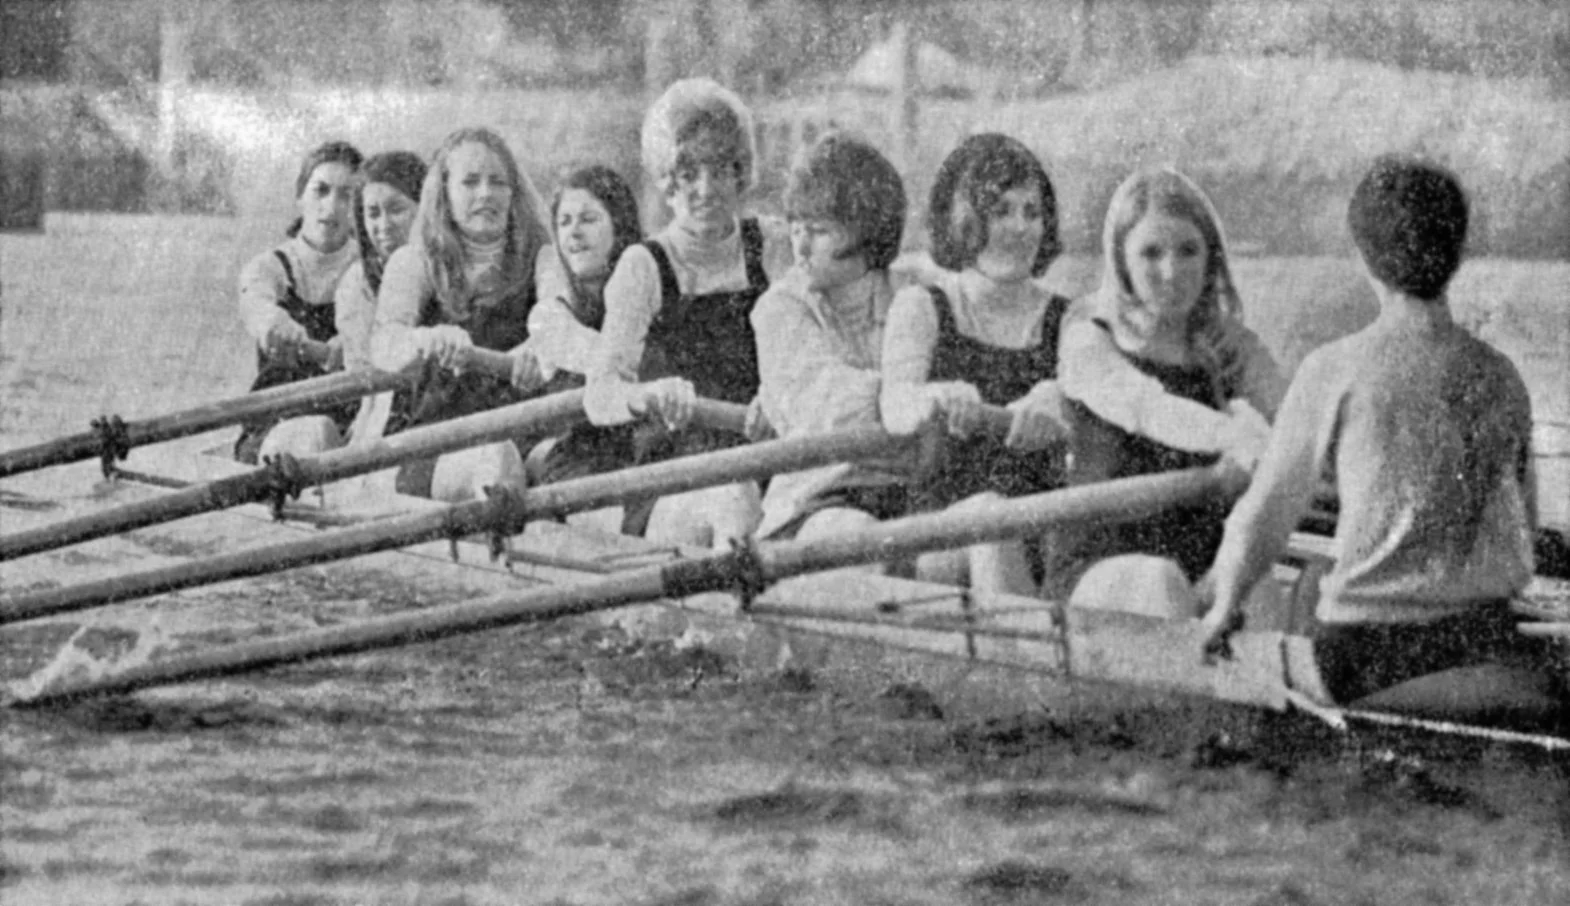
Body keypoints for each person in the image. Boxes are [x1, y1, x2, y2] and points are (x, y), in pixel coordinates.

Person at [1199, 155, 1555, 717]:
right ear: (1457, 254)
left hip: (1370, 657)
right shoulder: (1502, 375)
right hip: (1488, 640)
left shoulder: (1333, 368)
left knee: (1313, 588)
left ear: (1362, 256)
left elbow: (1263, 516)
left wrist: (1223, 609)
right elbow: (1525, 531)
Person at [1055, 167, 1284, 608]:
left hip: (1195, 569)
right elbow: (1150, 409)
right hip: (1099, 571)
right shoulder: (1088, 338)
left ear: (1210, 258)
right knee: (1159, 581)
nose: (1172, 271)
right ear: (1121, 260)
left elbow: (1290, 417)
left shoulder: (1222, 351)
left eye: (1188, 251)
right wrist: (1240, 437)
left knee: (1261, 586)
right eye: (1151, 253)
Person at [583, 78, 790, 547]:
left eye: (720, 170)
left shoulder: (773, 246)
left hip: (764, 458)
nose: (705, 188)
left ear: (741, 174)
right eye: (688, 172)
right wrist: (649, 394)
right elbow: (600, 396)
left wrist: (782, 394)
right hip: (672, 476)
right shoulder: (644, 266)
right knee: (736, 499)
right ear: (666, 179)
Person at [879, 133, 1071, 598]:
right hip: (938, 538)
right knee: (989, 514)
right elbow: (895, 403)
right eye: (1001, 211)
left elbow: (1099, 396)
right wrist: (935, 396)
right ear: (964, 220)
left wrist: (1060, 398)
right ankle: (1027, 662)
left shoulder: (1072, 319)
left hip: (1042, 533)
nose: (1021, 228)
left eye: (1032, 212)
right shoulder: (922, 306)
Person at [370, 127, 552, 501]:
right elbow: (385, 343)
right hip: (429, 440)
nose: (486, 193)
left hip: (520, 432)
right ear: (445, 193)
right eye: (470, 182)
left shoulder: (542, 260)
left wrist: (540, 347)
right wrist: (427, 339)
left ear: (513, 193)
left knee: (551, 460)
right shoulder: (413, 262)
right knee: (496, 459)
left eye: (498, 182)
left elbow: (556, 322)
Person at [752, 131, 908, 542]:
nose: (798, 246)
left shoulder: (915, 295)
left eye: (818, 231)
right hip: (817, 501)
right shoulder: (778, 309)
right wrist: (912, 395)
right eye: (795, 227)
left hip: (910, 496)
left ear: (865, 230)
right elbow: (824, 410)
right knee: (857, 533)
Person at [525, 165, 646, 517]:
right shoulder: (551, 315)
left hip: (645, 456)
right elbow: (604, 357)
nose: (574, 233)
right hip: (580, 464)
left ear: (620, 225)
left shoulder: (649, 290)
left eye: (589, 219)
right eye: (564, 222)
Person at [233, 140, 363, 464]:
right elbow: (256, 303)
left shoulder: (373, 271)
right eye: (321, 190)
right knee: (315, 434)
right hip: (278, 417)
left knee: (322, 433)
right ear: (300, 197)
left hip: (355, 423)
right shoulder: (269, 266)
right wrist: (274, 324)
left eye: (346, 195)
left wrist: (357, 344)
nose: (331, 207)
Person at [333, 150, 427, 445]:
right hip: (386, 413)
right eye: (373, 213)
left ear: (425, 208)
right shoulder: (357, 284)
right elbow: (368, 391)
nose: (384, 226)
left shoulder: (445, 271)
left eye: (396, 209)